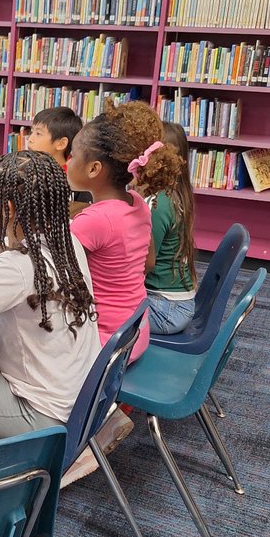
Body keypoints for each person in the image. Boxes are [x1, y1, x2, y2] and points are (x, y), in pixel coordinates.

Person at [0, 150, 101, 440]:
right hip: (76, 395)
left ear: (7, 207)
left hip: (41, 412)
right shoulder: (66, 240)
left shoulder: (18, 267)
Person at [67, 100, 184, 363]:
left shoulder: (95, 220)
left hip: (103, 344)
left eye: (72, 155)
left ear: (94, 168)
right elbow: (148, 263)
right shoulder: (137, 203)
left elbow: (50, 270)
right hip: (134, 334)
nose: (68, 161)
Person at [140, 122, 197, 334]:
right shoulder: (174, 193)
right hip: (174, 303)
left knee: (97, 310)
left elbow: (143, 263)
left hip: (166, 310)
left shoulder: (158, 204)